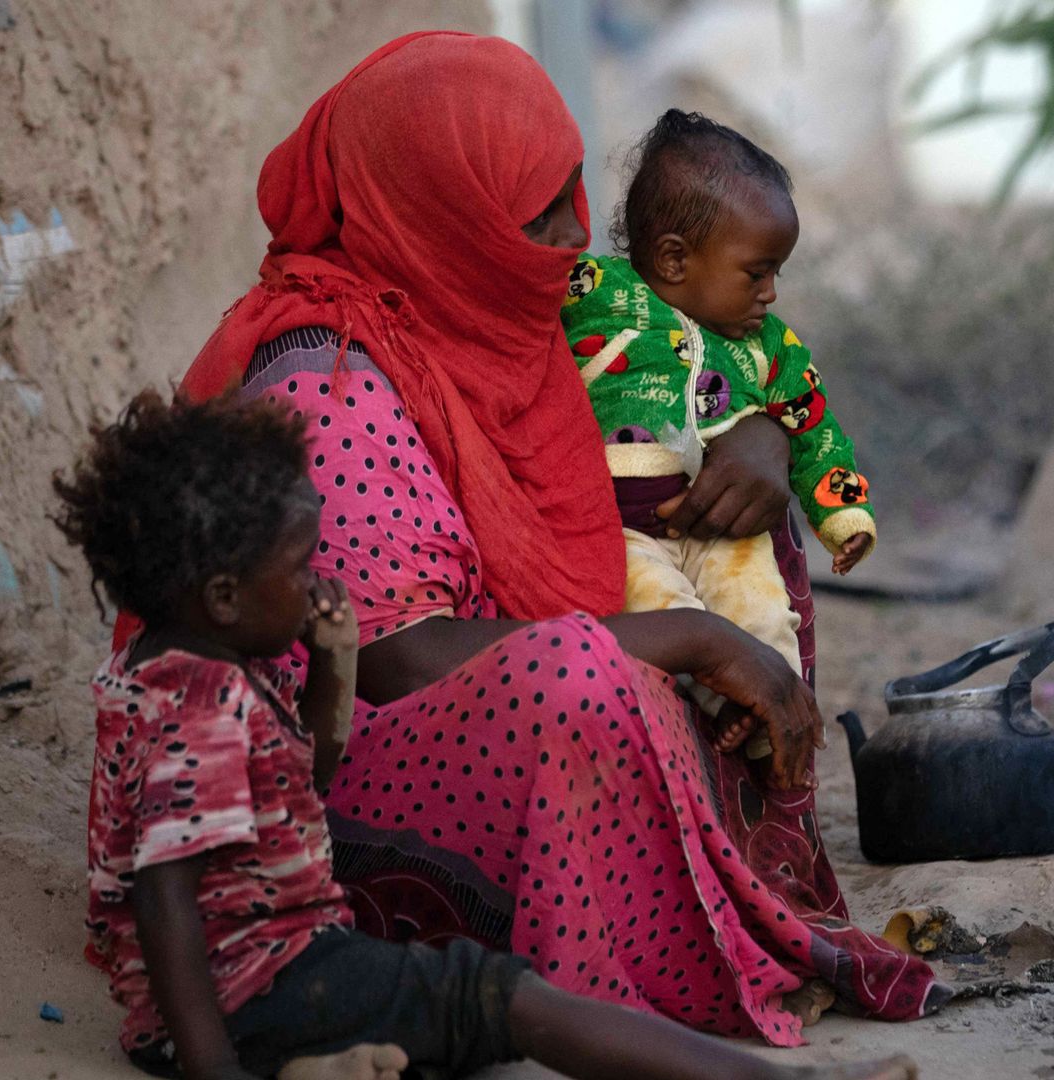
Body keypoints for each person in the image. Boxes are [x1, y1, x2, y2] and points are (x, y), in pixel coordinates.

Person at [120, 30, 946, 1050]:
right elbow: (395, 660)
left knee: (729, 532)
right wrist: (695, 642)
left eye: (570, 194)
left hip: (481, 700)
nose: (572, 236)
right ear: (446, 215)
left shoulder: (492, 306)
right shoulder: (328, 383)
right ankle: (593, 974)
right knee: (581, 677)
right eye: (536, 212)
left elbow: (685, 360)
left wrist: (760, 436)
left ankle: (717, 877)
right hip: (330, 796)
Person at [57, 391, 918, 1080]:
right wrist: (209, 1061)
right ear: (221, 595)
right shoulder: (197, 703)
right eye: (301, 565)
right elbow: (164, 889)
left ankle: (320, 1063)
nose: (322, 576)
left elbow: (300, 785)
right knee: (504, 1000)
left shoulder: (175, 673)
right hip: (261, 988)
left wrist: (328, 669)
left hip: (271, 972)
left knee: (438, 1010)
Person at [561, 111, 874, 754]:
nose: (770, 295)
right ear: (675, 258)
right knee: (658, 606)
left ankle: (767, 708)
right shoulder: (593, 292)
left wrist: (846, 519)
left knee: (762, 612)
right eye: (756, 273)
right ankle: (727, 701)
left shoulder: (771, 348)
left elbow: (816, 430)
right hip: (616, 528)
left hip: (724, 530)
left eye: (776, 274)